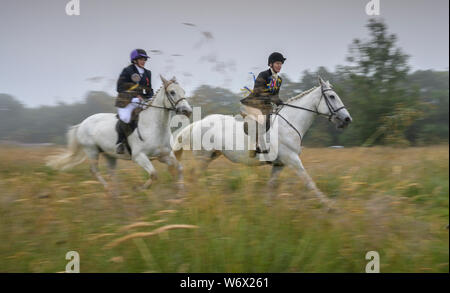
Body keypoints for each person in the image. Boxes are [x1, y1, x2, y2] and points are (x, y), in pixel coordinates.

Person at [240, 52, 286, 155]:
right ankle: (253, 147)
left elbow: (275, 96)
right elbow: (258, 92)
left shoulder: (279, 80)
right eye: (277, 63)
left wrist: (282, 103)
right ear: (271, 64)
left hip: (265, 107)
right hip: (253, 104)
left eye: (281, 64)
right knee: (261, 118)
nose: (280, 66)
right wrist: (272, 99)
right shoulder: (263, 75)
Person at [115, 49, 154, 154]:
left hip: (141, 101)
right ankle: (120, 142)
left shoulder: (147, 73)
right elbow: (120, 87)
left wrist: (150, 98)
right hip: (126, 101)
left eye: (145, 59)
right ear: (135, 60)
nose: (143, 61)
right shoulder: (127, 71)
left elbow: (149, 89)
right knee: (126, 118)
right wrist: (134, 96)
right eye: (141, 59)